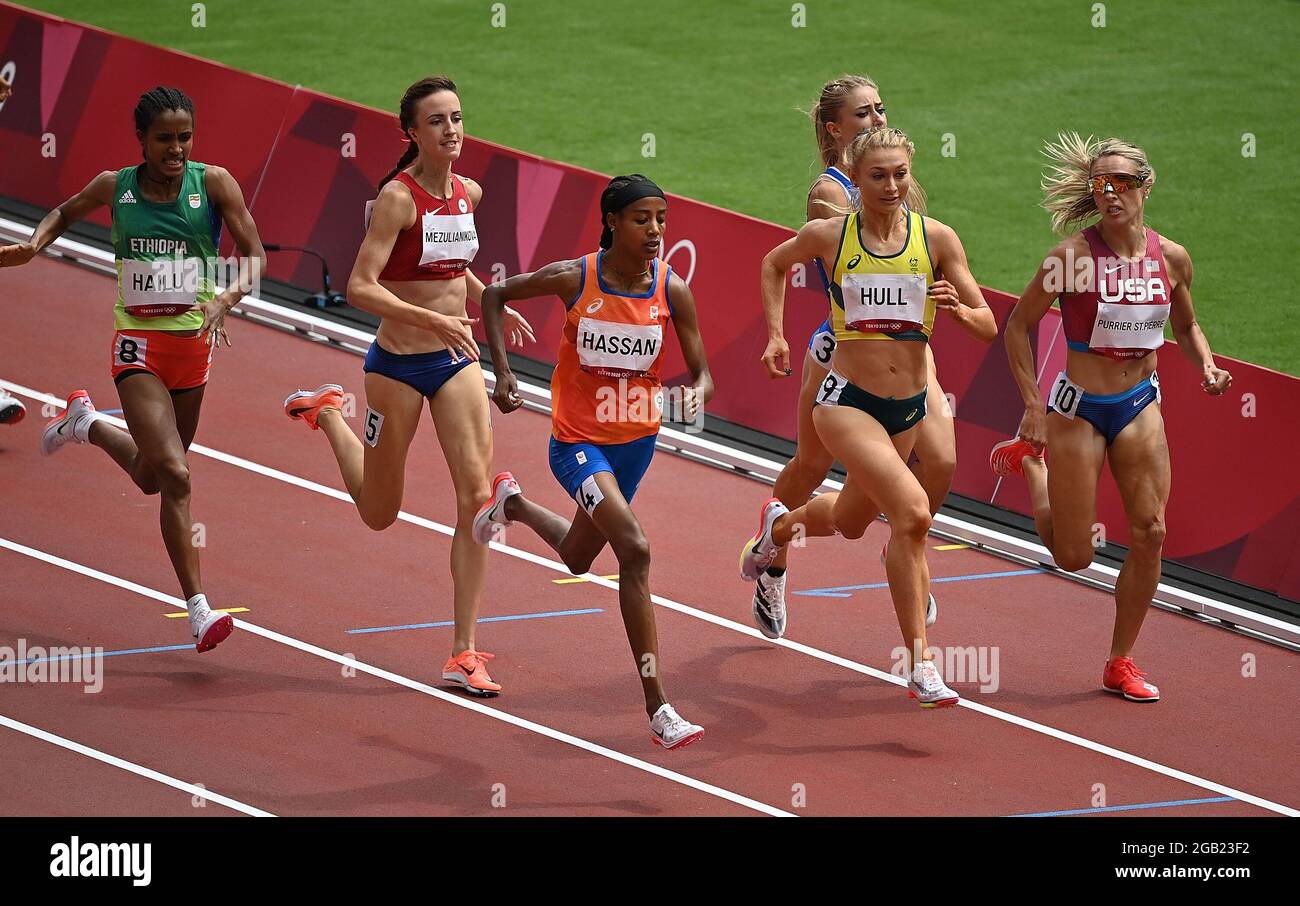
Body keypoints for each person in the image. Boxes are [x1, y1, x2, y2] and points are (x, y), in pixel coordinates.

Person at [283, 76, 535, 698]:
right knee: (379, 513)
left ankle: (463, 650)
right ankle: (330, 416)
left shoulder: (467, 193)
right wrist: (434, 319)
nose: (452, 129)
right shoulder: (397, 198)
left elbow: (449, 263)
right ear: (412, 133)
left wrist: (486, 300)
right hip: (396, 366)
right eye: (437, 121)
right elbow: (361, 286)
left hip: (456, 363)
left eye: (457, 117)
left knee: (478, 501)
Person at [0, 86, 266, 653]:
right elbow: (64, 211)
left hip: (194, 347)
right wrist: (33, 244)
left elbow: (256, 255)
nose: (176, 148)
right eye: (164, 138)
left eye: (184, 137)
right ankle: (198, 609)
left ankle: (86, 424)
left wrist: (226, 300)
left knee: (151, 477)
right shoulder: (113, 186)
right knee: (177, 475)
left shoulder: (213, 183)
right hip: (137, 347)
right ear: (141, 140)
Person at [740, 127, 996, 707]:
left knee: (853, 520)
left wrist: (958, 309)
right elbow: (772, 264)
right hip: (845, 403)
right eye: (877, 175)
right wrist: (777, 334)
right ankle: (921, 664)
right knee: (912, 514)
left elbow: (987, 326)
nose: (891, 185)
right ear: (855, 179)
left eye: (900, 174)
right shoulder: (830, 236)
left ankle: (777, 530)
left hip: (905, 407)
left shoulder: (937, 240)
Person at [990, 133, 1232, 703]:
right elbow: (1019, 326)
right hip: (1079, 409)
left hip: (1139, 404)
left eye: (1123, 183)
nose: (1111, 193)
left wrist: (1208, 366)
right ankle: (1033, 469)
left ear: (1147, 187)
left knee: (1151, 531)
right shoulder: (1071, 259)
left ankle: (1120, 661)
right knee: (1074, 556)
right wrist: (1032, 406)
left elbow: (1186, 326)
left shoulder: (1171, 258)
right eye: (1101, 184)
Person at [474, 174, 712, 749]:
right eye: (641, 219)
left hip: (637, 445)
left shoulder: (671, 289)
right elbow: (493, 295)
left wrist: (698, 389)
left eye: (661, 219)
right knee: (634, 549)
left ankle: (514, 504)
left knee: (580, 558)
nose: (654, 230)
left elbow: (702, 369)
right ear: (612, 221)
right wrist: (502, 373)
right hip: (578, 444)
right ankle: (659, 708)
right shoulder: (572, 277)